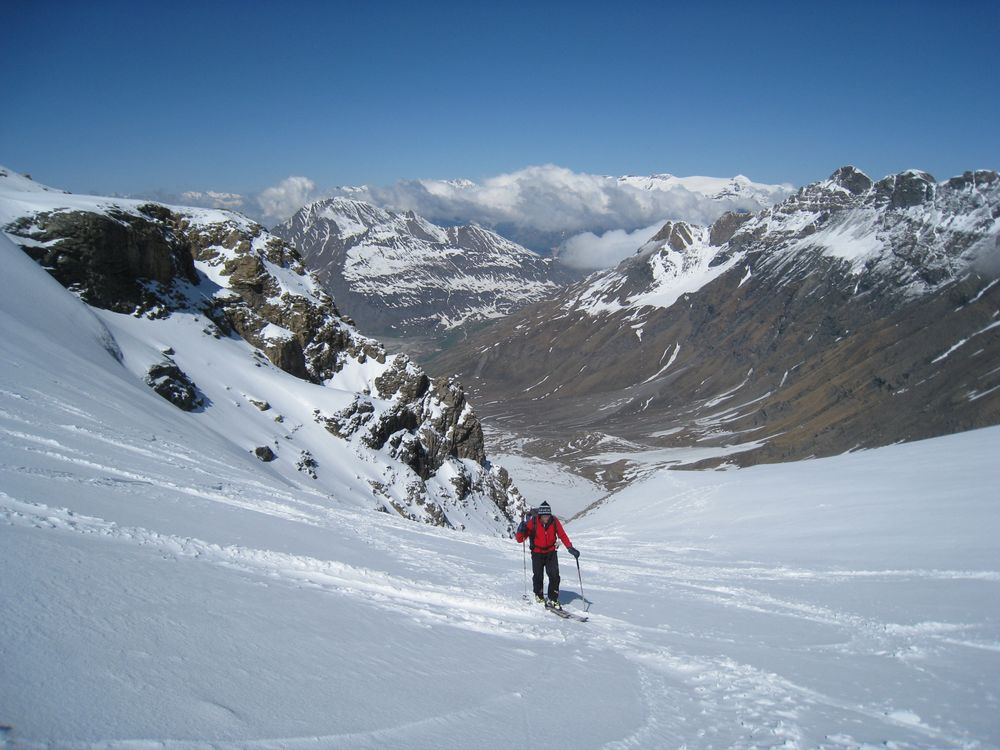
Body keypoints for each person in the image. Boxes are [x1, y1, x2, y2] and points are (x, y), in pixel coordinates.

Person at [515, 501, 580, 610]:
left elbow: (562, 534)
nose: (546, 518)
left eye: (548, 515)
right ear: (540, 515)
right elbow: (520, 540)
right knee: (538, 576)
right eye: (544, 516)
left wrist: (570, 547)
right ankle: (539, 595)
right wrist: (520, 530)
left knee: (555, 576)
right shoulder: (533, 522)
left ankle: (553, 598)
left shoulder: (554, 521)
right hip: (537, 553)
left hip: (551, 552)